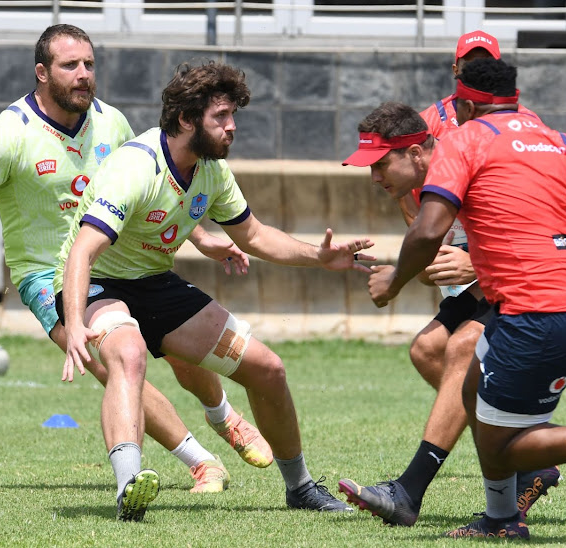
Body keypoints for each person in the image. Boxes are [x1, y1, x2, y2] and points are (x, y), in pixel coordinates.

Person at [348, 58, 566, 539]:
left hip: (538, 306)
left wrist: (395, 281)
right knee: (469, 385)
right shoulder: (563, 143)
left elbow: (428, 232)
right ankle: (500, 519)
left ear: (463, 104)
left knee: (502, 445)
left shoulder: (464, 140)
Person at [0, 24, 273, 497]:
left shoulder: (111, 122)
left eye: (89, 64)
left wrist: (200, 235)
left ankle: (224, 417)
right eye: (70, 65)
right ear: (41, 72)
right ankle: (201, 463)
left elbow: (152, 183)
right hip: (47, 273)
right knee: (114, 361)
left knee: (171, 341)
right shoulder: (8, 134)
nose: (83, 74)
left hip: (121, 257)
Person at [54, 60, 373, 521]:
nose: (232, 127)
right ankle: (129, 487)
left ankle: (300, 487)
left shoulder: (211, 170)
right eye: (221, 117)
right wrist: (77, 326)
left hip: (155, 283)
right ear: (186, 120)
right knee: (128, 354)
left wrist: (319, 257)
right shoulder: (136, 167)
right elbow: (82, 252)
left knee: (268, 369)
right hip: (100, 283)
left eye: (232, 116)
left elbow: (255, 236)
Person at [338, 30, 566, 526]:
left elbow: (532, 224)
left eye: (380, 167)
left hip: (548, 270)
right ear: (454, 71)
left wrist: (453, 268)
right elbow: (433, 246)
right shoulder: (427, 153)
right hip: (497, 268)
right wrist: (425, 266)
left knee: (465, 351)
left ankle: (411, 490)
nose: (374, 178)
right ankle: (521, 451)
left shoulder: (486, 140)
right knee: (428, 351)